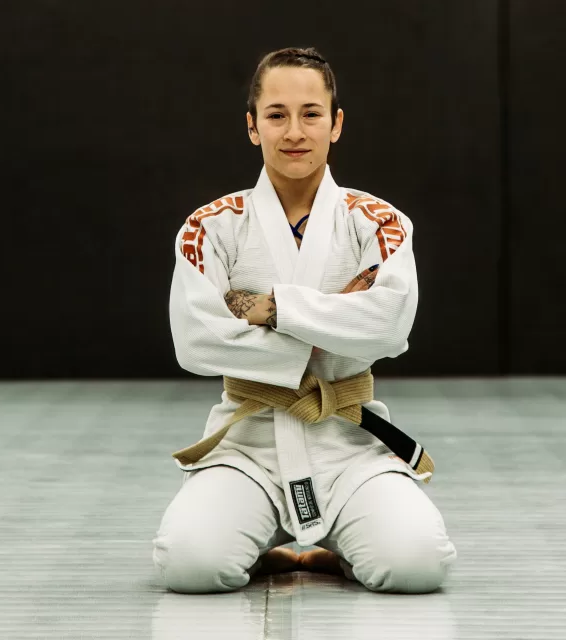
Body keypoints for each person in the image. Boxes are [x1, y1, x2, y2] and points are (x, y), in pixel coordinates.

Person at [152, 47, 457, 594]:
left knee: (417, 565)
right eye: (276, 114)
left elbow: (388, 327)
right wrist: (335, 318)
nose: (294, 130)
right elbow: (196, 342)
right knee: (189, 565)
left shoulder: (379, 221)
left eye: (311, 113)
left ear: (336, 124)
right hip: (249, 444)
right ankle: (268, 545)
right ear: (252, 127)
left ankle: (323, 553)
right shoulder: (210, 227)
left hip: (348, 444)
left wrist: (273, 308)